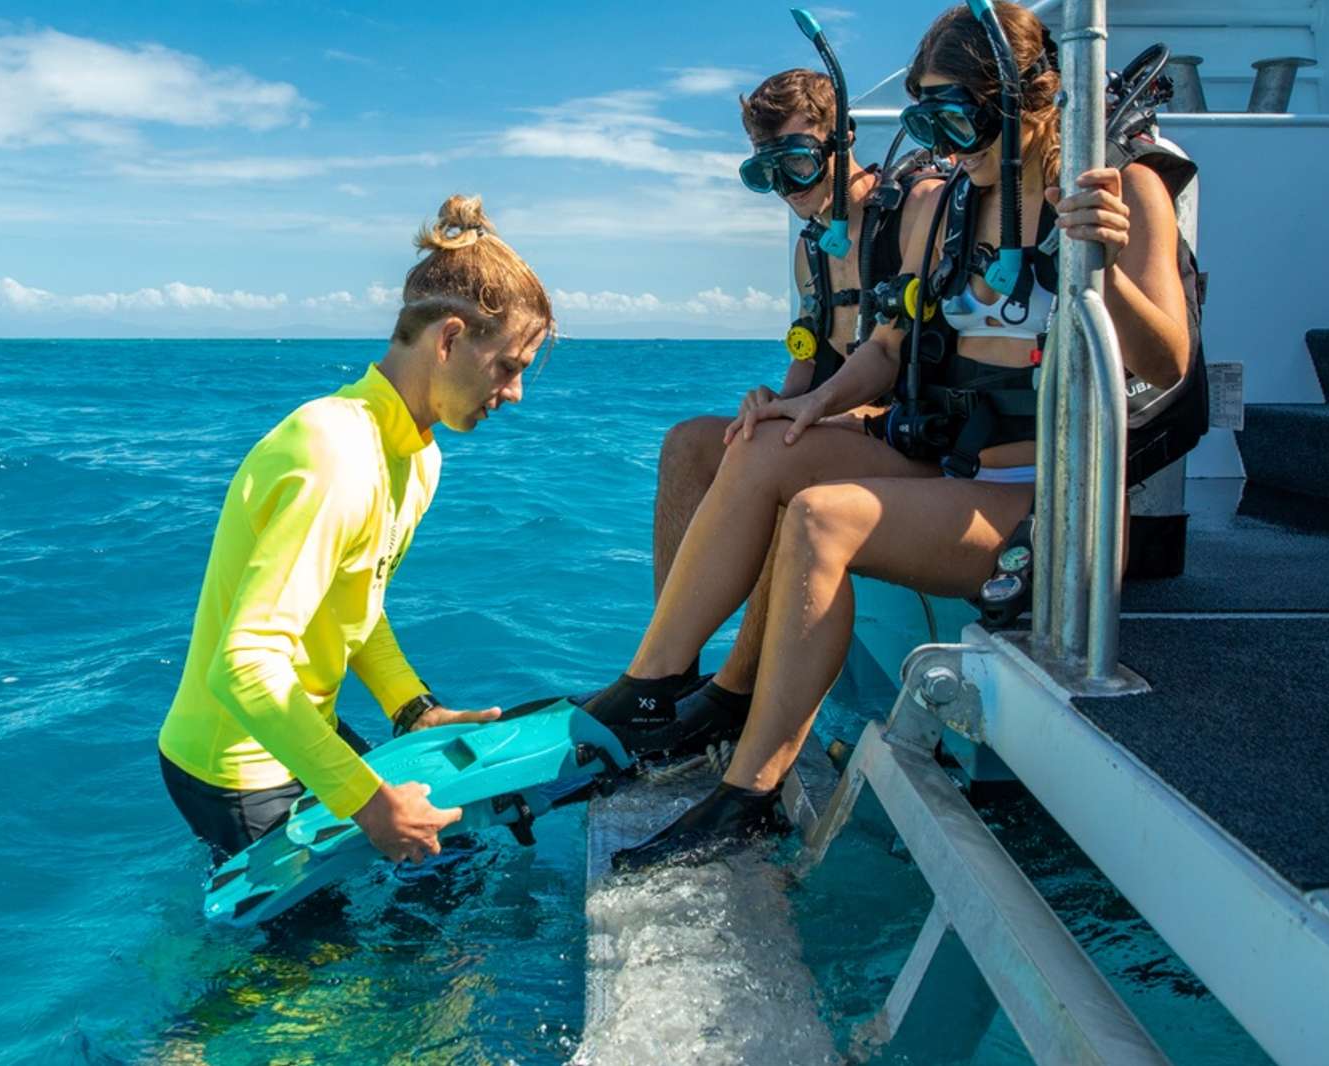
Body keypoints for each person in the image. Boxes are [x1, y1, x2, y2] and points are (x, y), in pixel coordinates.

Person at [599, 0, 1207, 869]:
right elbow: (887, 346)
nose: (945, 142)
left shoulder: (1117, 189)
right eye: (926, 120)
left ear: (1024, 100)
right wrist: (809, 404)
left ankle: (750, 795)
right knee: (763, 446)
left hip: (1047, 505)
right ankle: (652, 686)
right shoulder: (947, 207)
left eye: (957, 117)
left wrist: (1100, 268)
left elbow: (1168, 359)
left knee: (821, 518)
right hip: (952, 471)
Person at [158, 195, 554, 867]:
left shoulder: (418, 456)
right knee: (338, 935)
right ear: (449, 340)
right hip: (234, 764)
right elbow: (243, 666)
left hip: (299, 728)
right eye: (508, 366)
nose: (515, 392)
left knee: (444, 867)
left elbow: (354, 601)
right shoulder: (333, 452)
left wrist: (412, 710)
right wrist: (369, 804)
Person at [606, 63, 940, 758]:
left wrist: (809, 412)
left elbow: (891, 357)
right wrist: (774, 403)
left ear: (842, 139)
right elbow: (809, 362)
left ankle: (733, 693)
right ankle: (670, 677)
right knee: (692, 443)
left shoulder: (912, 213)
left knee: (779, 460)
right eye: (767, 173)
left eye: (797, 162)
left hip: (915, 437)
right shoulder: (811, 249)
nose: (787, 187)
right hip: (841, 424)